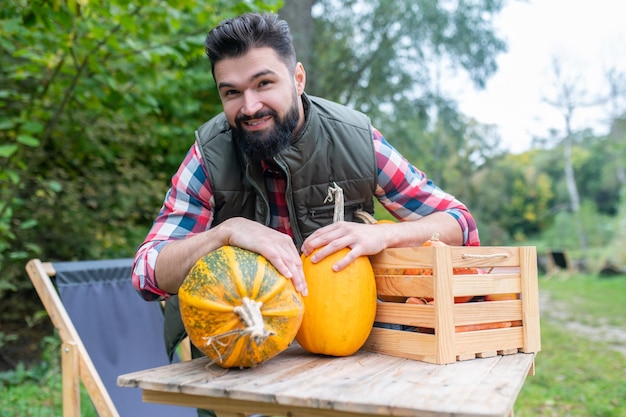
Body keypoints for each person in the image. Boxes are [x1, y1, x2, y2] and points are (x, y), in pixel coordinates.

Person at [131, 11, 479, 416]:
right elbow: (146, 272)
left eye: (264, 83)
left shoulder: (355, 140)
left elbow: (459, 222)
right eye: (231, 92)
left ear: (298, 78)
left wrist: (384, 235)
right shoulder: (209, 155)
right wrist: (225, 232)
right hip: (233, 353)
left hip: (339, 350)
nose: (249, 106)